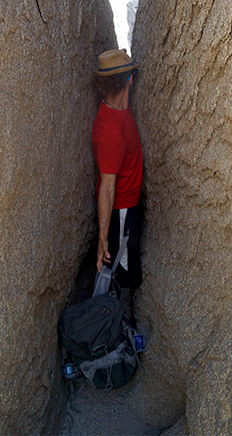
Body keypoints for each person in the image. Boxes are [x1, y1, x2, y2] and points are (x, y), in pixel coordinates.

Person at [92, 48, 143, 322]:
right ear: (129, 81)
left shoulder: (118, 107)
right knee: (119, 270)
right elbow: (107, 188)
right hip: (121, 211)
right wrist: (102, 239)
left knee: (123, 264)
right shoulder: (110, 132)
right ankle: (118, 326)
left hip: (128, 205)